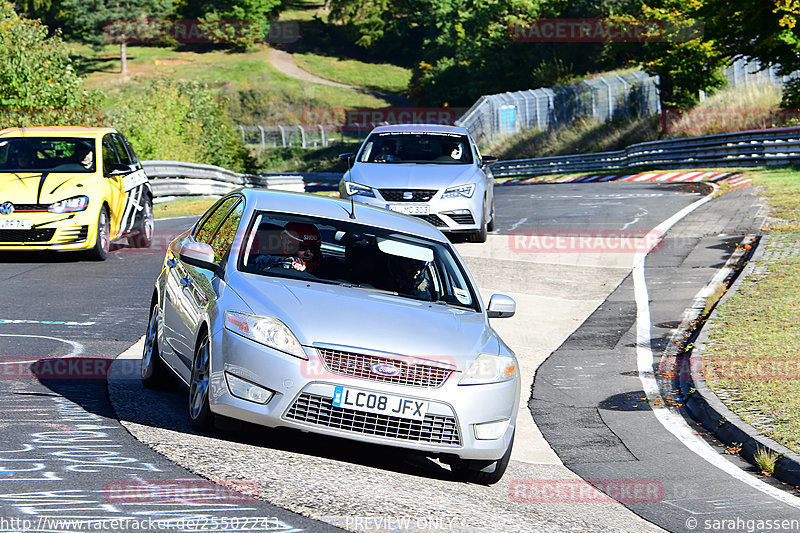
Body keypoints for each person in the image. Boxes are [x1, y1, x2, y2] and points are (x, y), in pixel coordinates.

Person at [254, 222, 321, 273]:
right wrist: (286, 262)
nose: (308, 253)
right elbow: (258, 261)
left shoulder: (322, 266)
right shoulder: (271, 258)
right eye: (302, 248)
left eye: (312, 249)